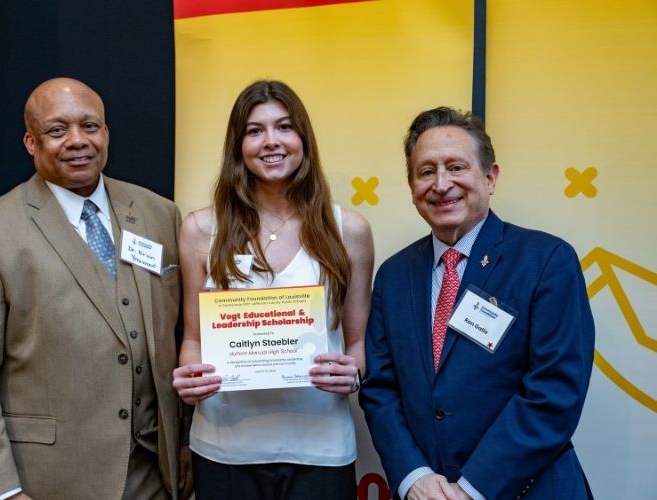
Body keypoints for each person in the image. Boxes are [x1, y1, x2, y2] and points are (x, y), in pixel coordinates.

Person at [0, 77, 191, 500]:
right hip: (46, 481)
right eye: (57, 130)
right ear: (31, 142)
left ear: (106, 133)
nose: (77, 140)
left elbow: (182, 337)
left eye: (89, 126)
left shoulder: (159, 214)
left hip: (154, 476)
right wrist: (0, 490)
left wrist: (184, 440)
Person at [360, 106, 595, 500]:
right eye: (426, 171)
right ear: (412, 186)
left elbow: (555, 390)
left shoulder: (547, 261)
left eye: (456, 167)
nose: (441, 184)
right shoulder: (393, 276)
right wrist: (413, 476)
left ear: (490, 177)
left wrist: (472, 489)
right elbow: (380, 389)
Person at [171, 80, 374, 499]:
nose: (271, 142)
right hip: (225, 449)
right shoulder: (200, 229)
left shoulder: (348, 230)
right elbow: (193, 340)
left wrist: (351, 374)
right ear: (238, 146)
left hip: (321, 448)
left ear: (303, 138)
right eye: (254, 130)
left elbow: (358, 346)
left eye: (284, 127)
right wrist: (191, 379)